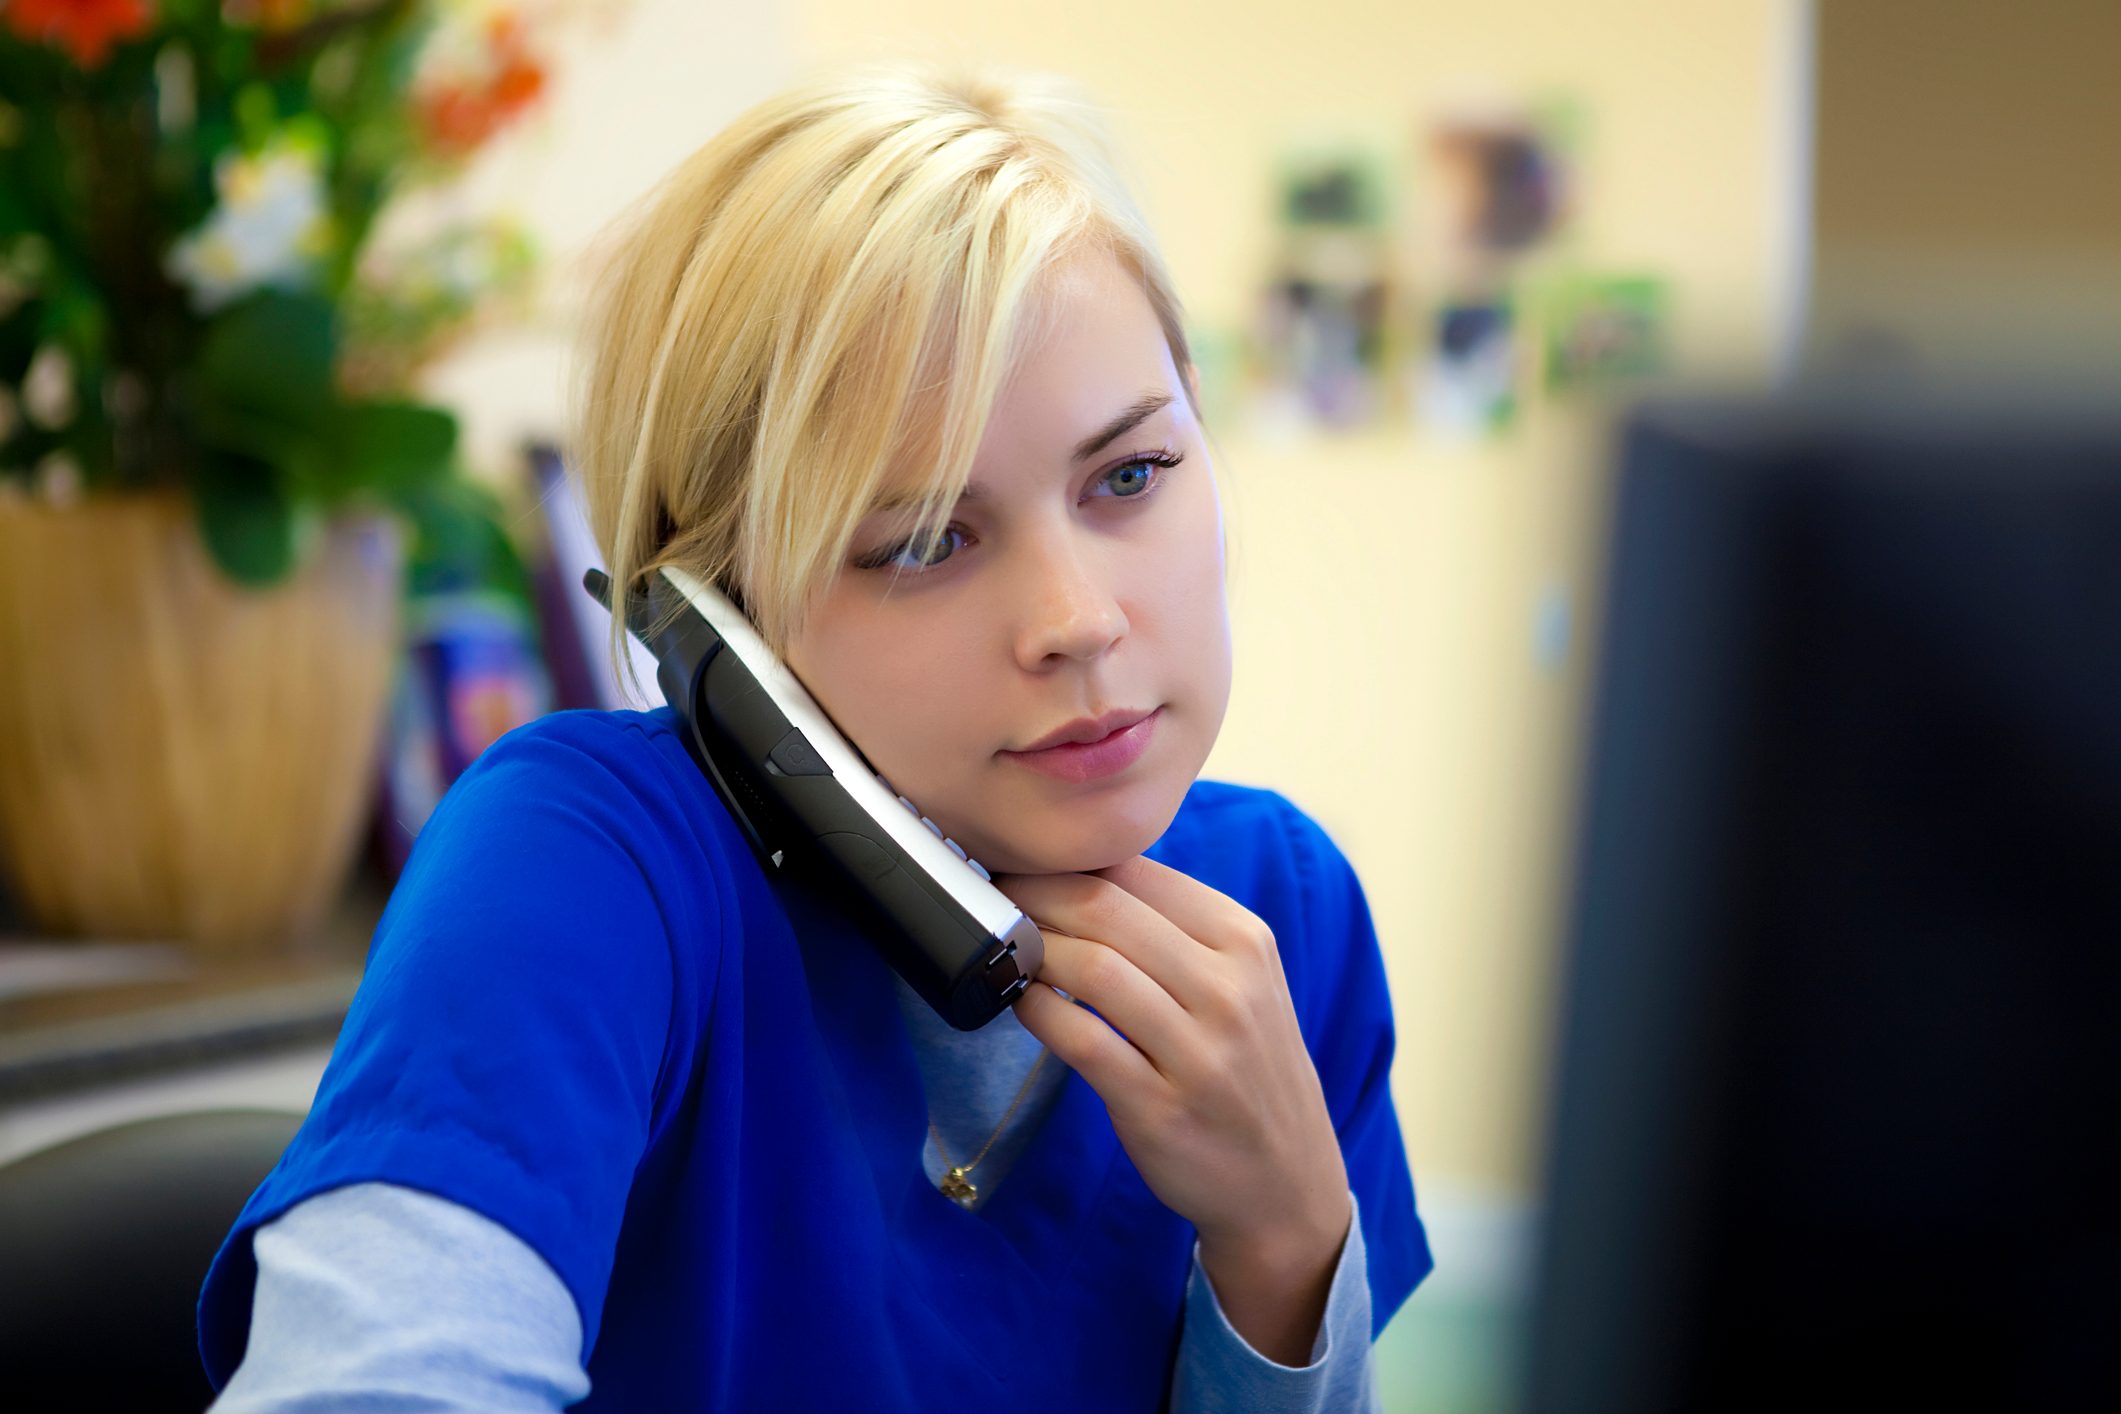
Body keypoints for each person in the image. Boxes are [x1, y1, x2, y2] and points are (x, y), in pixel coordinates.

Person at [196, 63, 1432, 1411]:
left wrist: (1284, 1238)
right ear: (721, 623)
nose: (1077, 620)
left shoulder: (1280, 912)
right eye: (925, 543)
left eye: (1129, 473)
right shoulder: (586, 862)